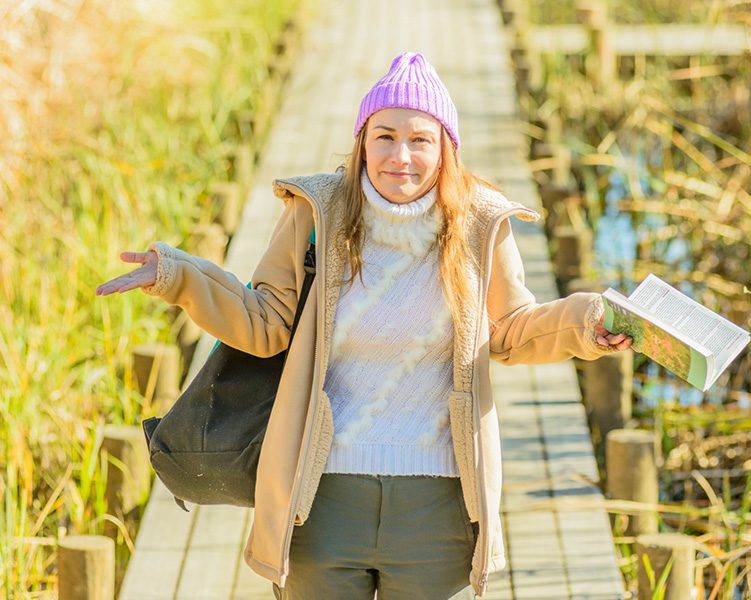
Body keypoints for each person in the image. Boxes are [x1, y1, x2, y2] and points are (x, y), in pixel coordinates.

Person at [97, 52, 632, 599]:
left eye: (421, 139)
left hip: (440, 511)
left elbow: (513, 331)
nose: (401, 156)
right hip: (321, 501)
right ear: (362, 142)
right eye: (385, 136)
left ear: (446, 149)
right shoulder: (316, 212)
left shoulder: (479, 223)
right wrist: (179, 277)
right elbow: (265, 323)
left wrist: (586, 321)